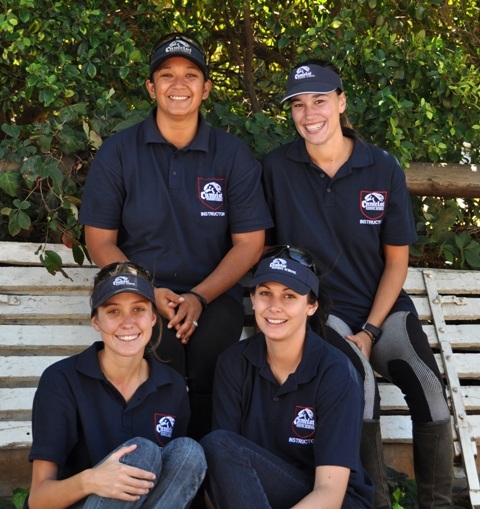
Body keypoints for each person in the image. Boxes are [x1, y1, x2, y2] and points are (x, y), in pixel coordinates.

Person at [261, 59, 453, 508]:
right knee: (358, 382)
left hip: (383, 307)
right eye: (299, 105)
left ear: (341, 102)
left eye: (320, 101)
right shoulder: (276, 168)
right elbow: (266, 252)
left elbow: (397, 261)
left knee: (428, 386)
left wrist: (370, 329)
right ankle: (375, 503)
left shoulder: (381, 167)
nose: (310, 114)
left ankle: (439, 504)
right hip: (320, 310)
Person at [78, 33, 273, 440]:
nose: (178, 84)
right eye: (166, 75)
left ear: (206, 88)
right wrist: (149, 292)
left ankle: (205, 477)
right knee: (157, 357)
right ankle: (153, 477)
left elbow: (250, 243)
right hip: (140, 291)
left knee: (211, 364)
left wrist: (198, 298)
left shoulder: (232, 154)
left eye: (190, 75)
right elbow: (100, 240)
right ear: (152, 87)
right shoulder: (118, 152)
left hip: (213, 293)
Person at [201, 246, 374, 509]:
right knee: (218, 445)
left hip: (332, 501)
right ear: (253, 298)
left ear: (311, 306)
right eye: (265, 294)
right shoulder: (233, 363)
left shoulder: (336, 371)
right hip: (259, 493)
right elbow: (222, 467)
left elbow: (330, 492)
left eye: (289, 296)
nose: (274, 307)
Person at [26, 261, 206, 509]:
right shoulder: (61, 380)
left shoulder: (172, 385)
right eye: (113, 311)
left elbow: (173, 487)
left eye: (138, 310)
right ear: (95, 322)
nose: (127, 322)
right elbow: (38, 500)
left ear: (153, 318)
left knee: (189, 453)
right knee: (142, 452)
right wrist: (91, 480)